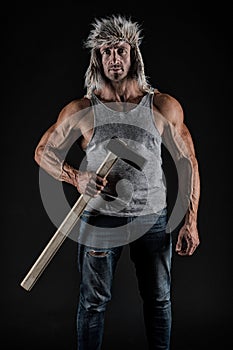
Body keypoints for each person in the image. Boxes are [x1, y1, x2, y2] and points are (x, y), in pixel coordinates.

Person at [34, 14, 200, 350]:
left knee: (159, 300)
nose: (114, 58)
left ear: (133, 54)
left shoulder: (162, 106)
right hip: (100, 219)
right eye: (106, 52)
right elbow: (42, 152)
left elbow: (188, 161)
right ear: (97, 58)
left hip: (151, 217)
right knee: (93, 303)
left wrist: (191, 220)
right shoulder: (82, 110)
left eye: (120, 50)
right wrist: (75, 177)